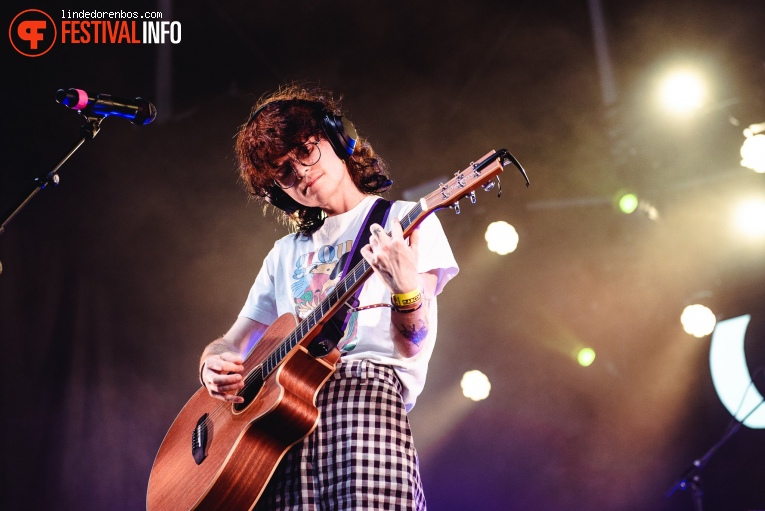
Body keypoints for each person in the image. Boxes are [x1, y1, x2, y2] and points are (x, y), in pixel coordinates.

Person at [198, 84, 459, 510]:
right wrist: (213, 363)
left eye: (305, 150)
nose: (298, 171)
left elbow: (410, 344)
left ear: (338, 139)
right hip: (278, 427)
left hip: (366, 401)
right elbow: (231, 342)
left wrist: (405, 289)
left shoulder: (405, 221)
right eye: (282, 171)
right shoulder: (283, 254)